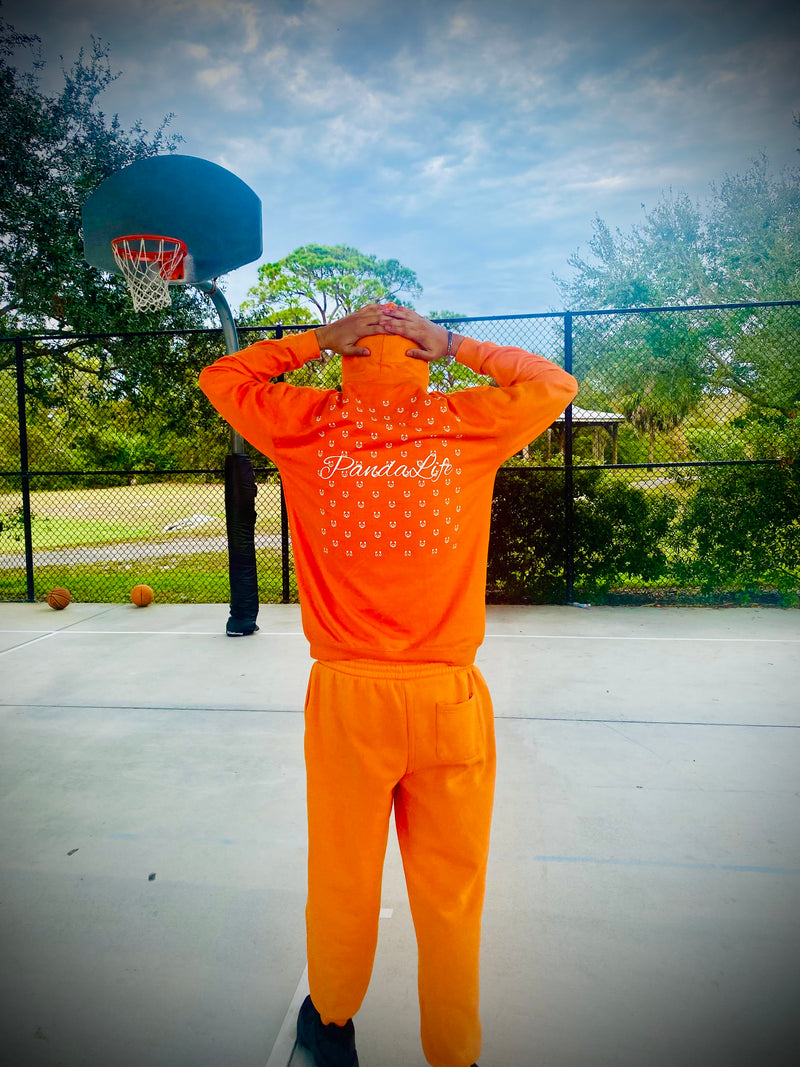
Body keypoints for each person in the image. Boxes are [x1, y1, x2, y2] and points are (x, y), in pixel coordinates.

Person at [199, 304, 577, 1067]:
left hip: (349, 698)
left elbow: (222, 376)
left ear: (347, 360)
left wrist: (314, 340)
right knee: (451, 895)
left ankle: (332, 1027)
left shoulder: (306, 425)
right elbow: (554, 383)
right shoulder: (465, 423)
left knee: (343, 878)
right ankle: (455, 1051)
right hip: (448, 696)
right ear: (422, 361)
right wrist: (456, 344)